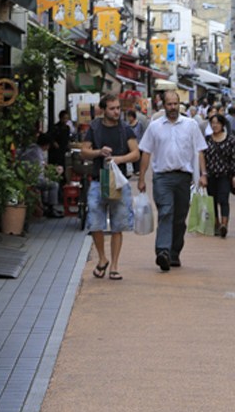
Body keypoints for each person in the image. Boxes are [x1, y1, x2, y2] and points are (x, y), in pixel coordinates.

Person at [137, 88, 208, 271]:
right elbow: (146, 151)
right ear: (164, 105)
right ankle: (163, 252)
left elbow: (199, 150)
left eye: (175, 104)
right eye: (169, 104)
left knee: (179, 217)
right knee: (166, 212)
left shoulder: (190, 125)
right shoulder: (154, 126)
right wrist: (142, 177)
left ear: (180, 105)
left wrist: (203, 174)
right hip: (162, 178)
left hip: (184, 178)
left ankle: (174, 253)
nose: (173, 107)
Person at [79, 93, 140, 281]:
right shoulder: (95, 128)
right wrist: (99, 152)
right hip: (98, 180)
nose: (116, 112)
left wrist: (119, 159)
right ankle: (102, 258)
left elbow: (136, 153)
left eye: (118, 108)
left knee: (118, 225)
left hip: (120, 182)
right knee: (95, 223)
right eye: (112, 108)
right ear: (103, 109)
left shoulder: (125, 129)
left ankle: (114, 266)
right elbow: (84, 151)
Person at [204, 112, 235, 237]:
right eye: (213, 123)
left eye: (217, 123)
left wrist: (233, 175)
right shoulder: (207, 140)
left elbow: (233, 158)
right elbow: (203, 157)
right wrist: (202, 174)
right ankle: (216, 225)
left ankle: (224, 224)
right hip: (211, 175)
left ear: (222, 124)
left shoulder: (230, 139)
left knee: (223, 199)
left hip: (225, 175)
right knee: (212, 200)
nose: (215, 125)